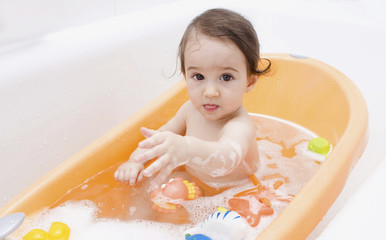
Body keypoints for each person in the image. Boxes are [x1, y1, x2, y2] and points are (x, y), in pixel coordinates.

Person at [114, 8, 270, 190]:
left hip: (238, 194)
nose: (210, 92)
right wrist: (135, 161)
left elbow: (226, 160)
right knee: (145, 195)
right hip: (194, 184)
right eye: (198, 77)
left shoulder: (239, 126)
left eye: (226, 77)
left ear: (249, 82)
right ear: (185, 76)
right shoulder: (189, 110)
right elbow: (158, 139)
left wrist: (187, 148)